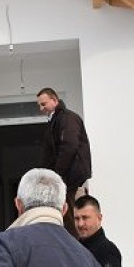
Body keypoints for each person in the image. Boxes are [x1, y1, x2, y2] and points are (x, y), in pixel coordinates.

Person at [37, 87, 92, 237]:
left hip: (70, 179)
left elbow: (69, 146)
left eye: (44, 104)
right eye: (40, 105)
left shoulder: (67, 118)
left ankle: (76, 251)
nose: (41, 108)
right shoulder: (57, 119)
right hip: (66, 179)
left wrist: (57, 175)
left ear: (54, 100)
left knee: (71, 218)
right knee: (67, 216)